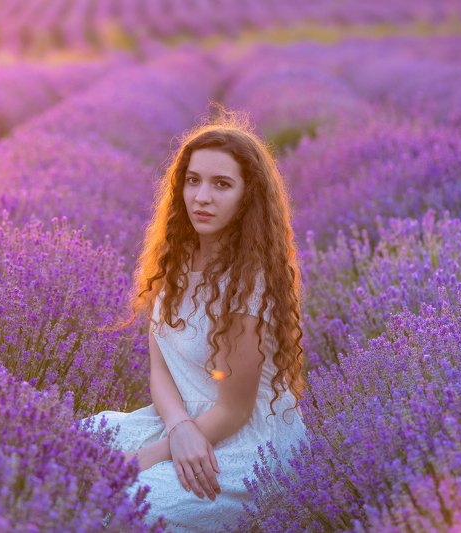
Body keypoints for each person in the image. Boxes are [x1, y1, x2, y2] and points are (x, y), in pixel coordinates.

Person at [79, 108, 309, 532]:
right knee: (68, 451)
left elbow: (235, 410)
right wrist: (179, 428)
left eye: (222, 184)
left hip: (246, 444)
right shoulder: (177, 261)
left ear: (247, 197)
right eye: (193, 180)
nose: (202, 196)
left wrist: (152, 454)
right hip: (182, 420)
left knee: (129, 506)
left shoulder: (248, 282)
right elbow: (160, 368)